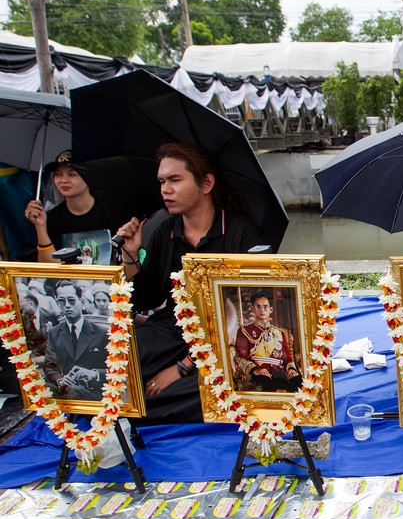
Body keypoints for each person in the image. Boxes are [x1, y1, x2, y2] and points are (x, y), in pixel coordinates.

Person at [114, 142, 266, 423]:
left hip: (224, 338)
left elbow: (249, 315)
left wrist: (182, 367)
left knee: (236, 380)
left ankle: (144, 406)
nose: (165, 190)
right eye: (161, 181)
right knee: (118, 359)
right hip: (172, 330)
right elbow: (145, 300)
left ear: (206, 183)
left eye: (174, 180)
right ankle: (147, 403)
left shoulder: (240, 233)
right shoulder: (164, 232)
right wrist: (131, 256)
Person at [23, 150, 116, 264]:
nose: (63, 180)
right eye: (58, 174)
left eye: (71, 174)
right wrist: (40, 226)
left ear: (88, 176)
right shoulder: (52, 218)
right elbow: (49, 266)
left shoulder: (110, 211)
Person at [42, 281, 109, 400]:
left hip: (94, 391)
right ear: (58, 304)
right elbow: (50, 366)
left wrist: (94, 373)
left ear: (82, 303)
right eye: (62, 301)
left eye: (71, 300)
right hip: (66, 388)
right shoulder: (55, 332)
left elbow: (118, 369)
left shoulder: (101, 332)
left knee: (72, 392)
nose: (67, 305)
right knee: (39, 390)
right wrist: (60, 379)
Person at [233, 291, 302, 392]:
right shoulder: (244, 331)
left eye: (265, 307)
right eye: (258, 307)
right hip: (259, 374)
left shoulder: (279, 333)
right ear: (252, 309)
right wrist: (255, 370)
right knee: (266, 385)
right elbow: (239, 358)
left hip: (280, 374)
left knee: (299, 382)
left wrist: (291, 369)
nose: (262, 310)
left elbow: (287, 358)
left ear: (271, 309)